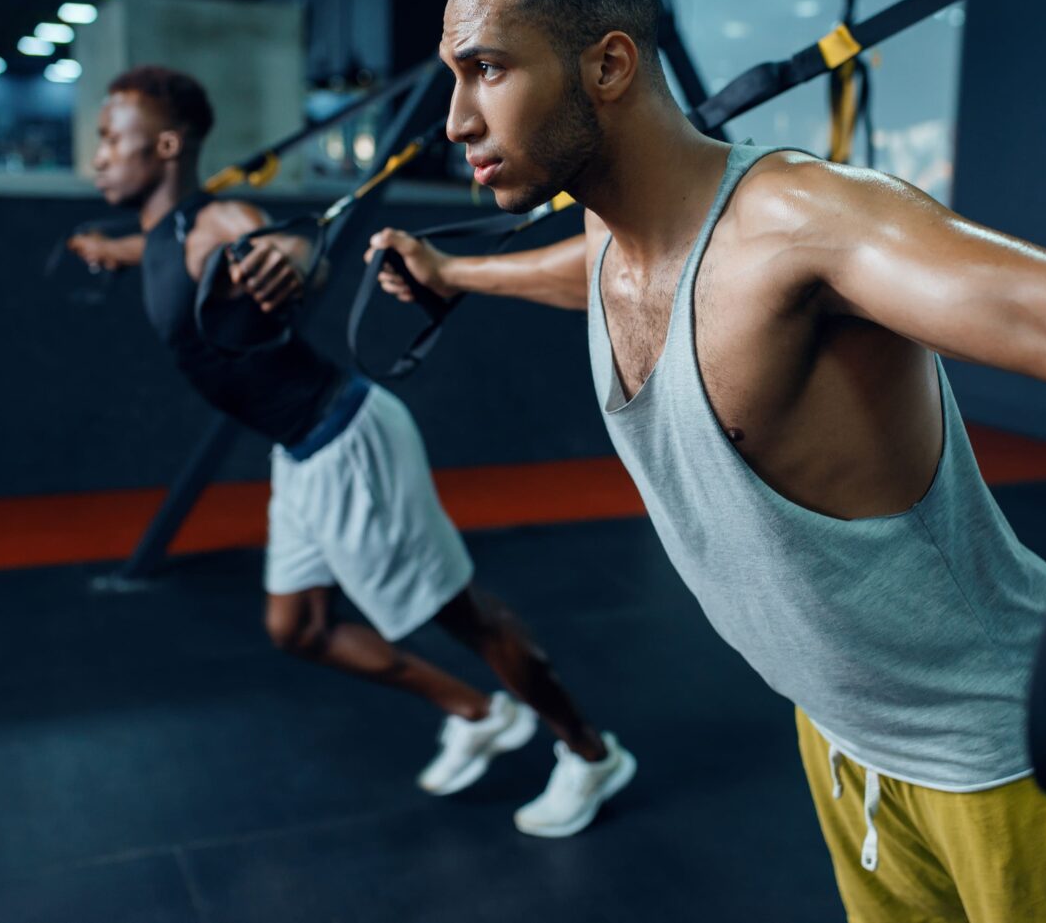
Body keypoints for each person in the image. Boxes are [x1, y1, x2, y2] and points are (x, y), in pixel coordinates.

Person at [367, 0, 1046, 918]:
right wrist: (457, 272)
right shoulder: (615, 242)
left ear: (607, 66)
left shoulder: (801, 227)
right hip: (840, 733)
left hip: (1001, 751)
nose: (459, 119)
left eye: (489, 69)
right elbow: (583, 268)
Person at [68, 64, 635, 838]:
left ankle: (590, 752)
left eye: (111, 138)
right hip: (298, 454)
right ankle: (477, 710)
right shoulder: (161, 234)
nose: (98, 153)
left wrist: (296, 263)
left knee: (461, 614)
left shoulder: (217, 223)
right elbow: (148, 253)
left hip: (348, 440)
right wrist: (102, 247)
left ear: (165, 145)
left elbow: (295, 253)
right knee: (295, 628)